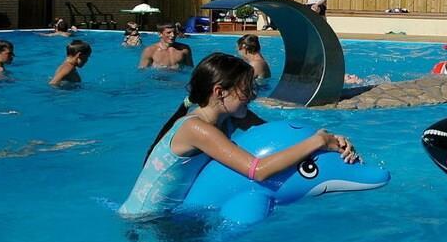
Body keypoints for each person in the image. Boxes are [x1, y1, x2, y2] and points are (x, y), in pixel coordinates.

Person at [118, 53, 359, 217]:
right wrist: (318, 141)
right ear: (219, 92)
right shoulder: (196, 128)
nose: (253, 95)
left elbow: (280, 138)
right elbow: (258, 170)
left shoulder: (230, 116)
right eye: (247, 89)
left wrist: (332, 140)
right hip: (145, 219)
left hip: (173, 215)